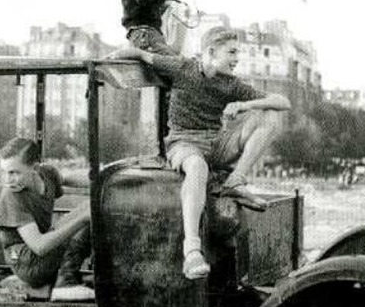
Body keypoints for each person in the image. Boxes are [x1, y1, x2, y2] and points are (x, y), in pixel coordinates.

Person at [118, 27, 290, 279]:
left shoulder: (230, 84)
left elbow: (283, 102)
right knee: (198, 168)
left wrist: (245, 105)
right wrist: (118, 55)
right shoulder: (182, 68)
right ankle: (192, 252)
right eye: (231, 52)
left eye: (237, 53)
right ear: (211, 52)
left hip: (217, 144)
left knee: (271, 115)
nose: (236, 58)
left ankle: (236, 180)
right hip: (183, 144)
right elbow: (143, 55)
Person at [0, 137, 94, 301]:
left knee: (93, 206)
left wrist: (103, 179)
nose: (7, 179)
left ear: (34, 166)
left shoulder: (46, 174)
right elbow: (39, 246)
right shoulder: (11, 195)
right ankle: (64, 282)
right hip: (27, 262)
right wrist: (82, 219)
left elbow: (67, 179)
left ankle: (69, 275)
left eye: (13, 172)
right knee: (85, 216)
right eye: (3, 172)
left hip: (43, 254)